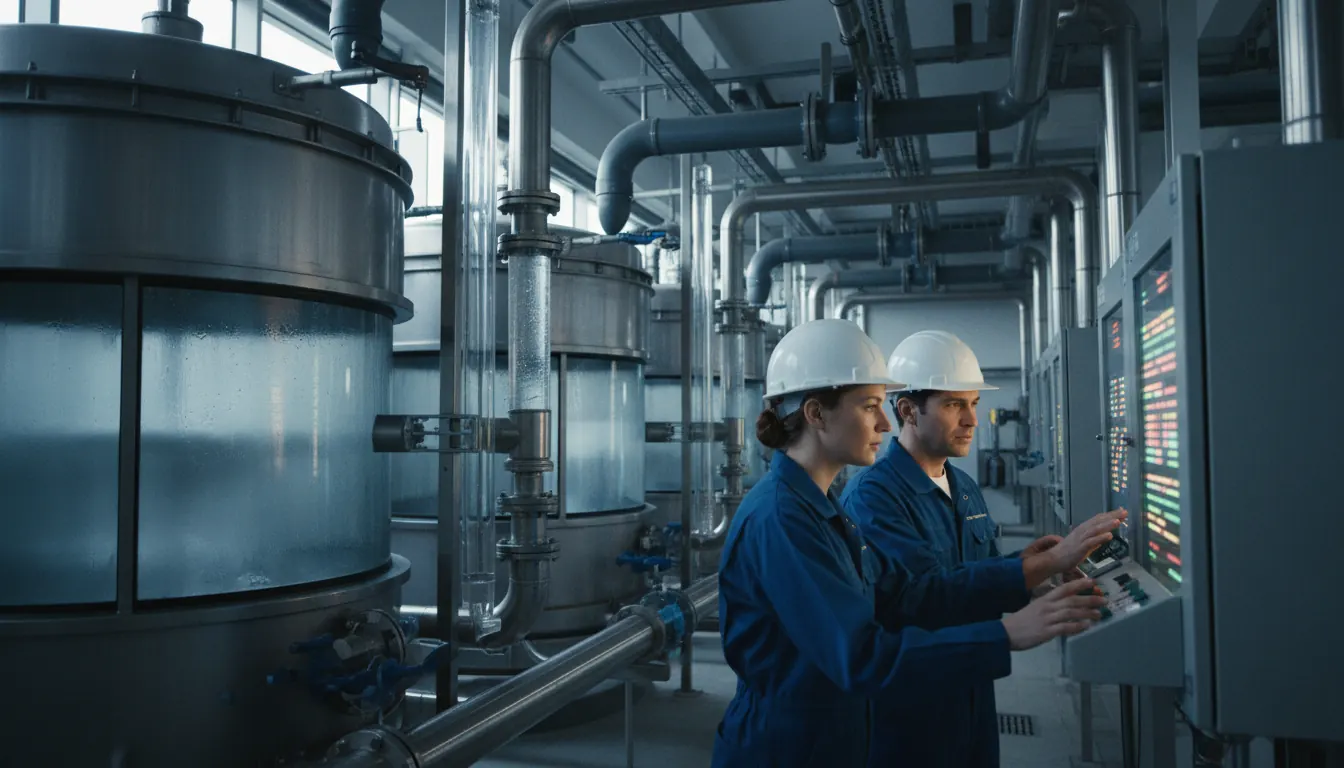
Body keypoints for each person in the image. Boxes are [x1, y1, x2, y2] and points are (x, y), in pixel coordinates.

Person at [712, 320, 1117, 768]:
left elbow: (903, 590)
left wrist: (1026, 572)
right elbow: (861, 655)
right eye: (869, 406)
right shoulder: (784, 518)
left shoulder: (822, 508)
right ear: (815, 413)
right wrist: (1006, 635)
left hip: (837, 734)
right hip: (791, 747)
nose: (885, 421)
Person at [840, 329, 1128, 768]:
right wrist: (1047, 561)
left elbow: (970, 573)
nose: (972, 420)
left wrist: (1031, 574)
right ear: (907, 411)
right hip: (912, 703)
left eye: (973, 404)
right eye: (955, 405)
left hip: (971, 689)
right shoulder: (874, 496)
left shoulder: (964, 486)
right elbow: (921, 597)